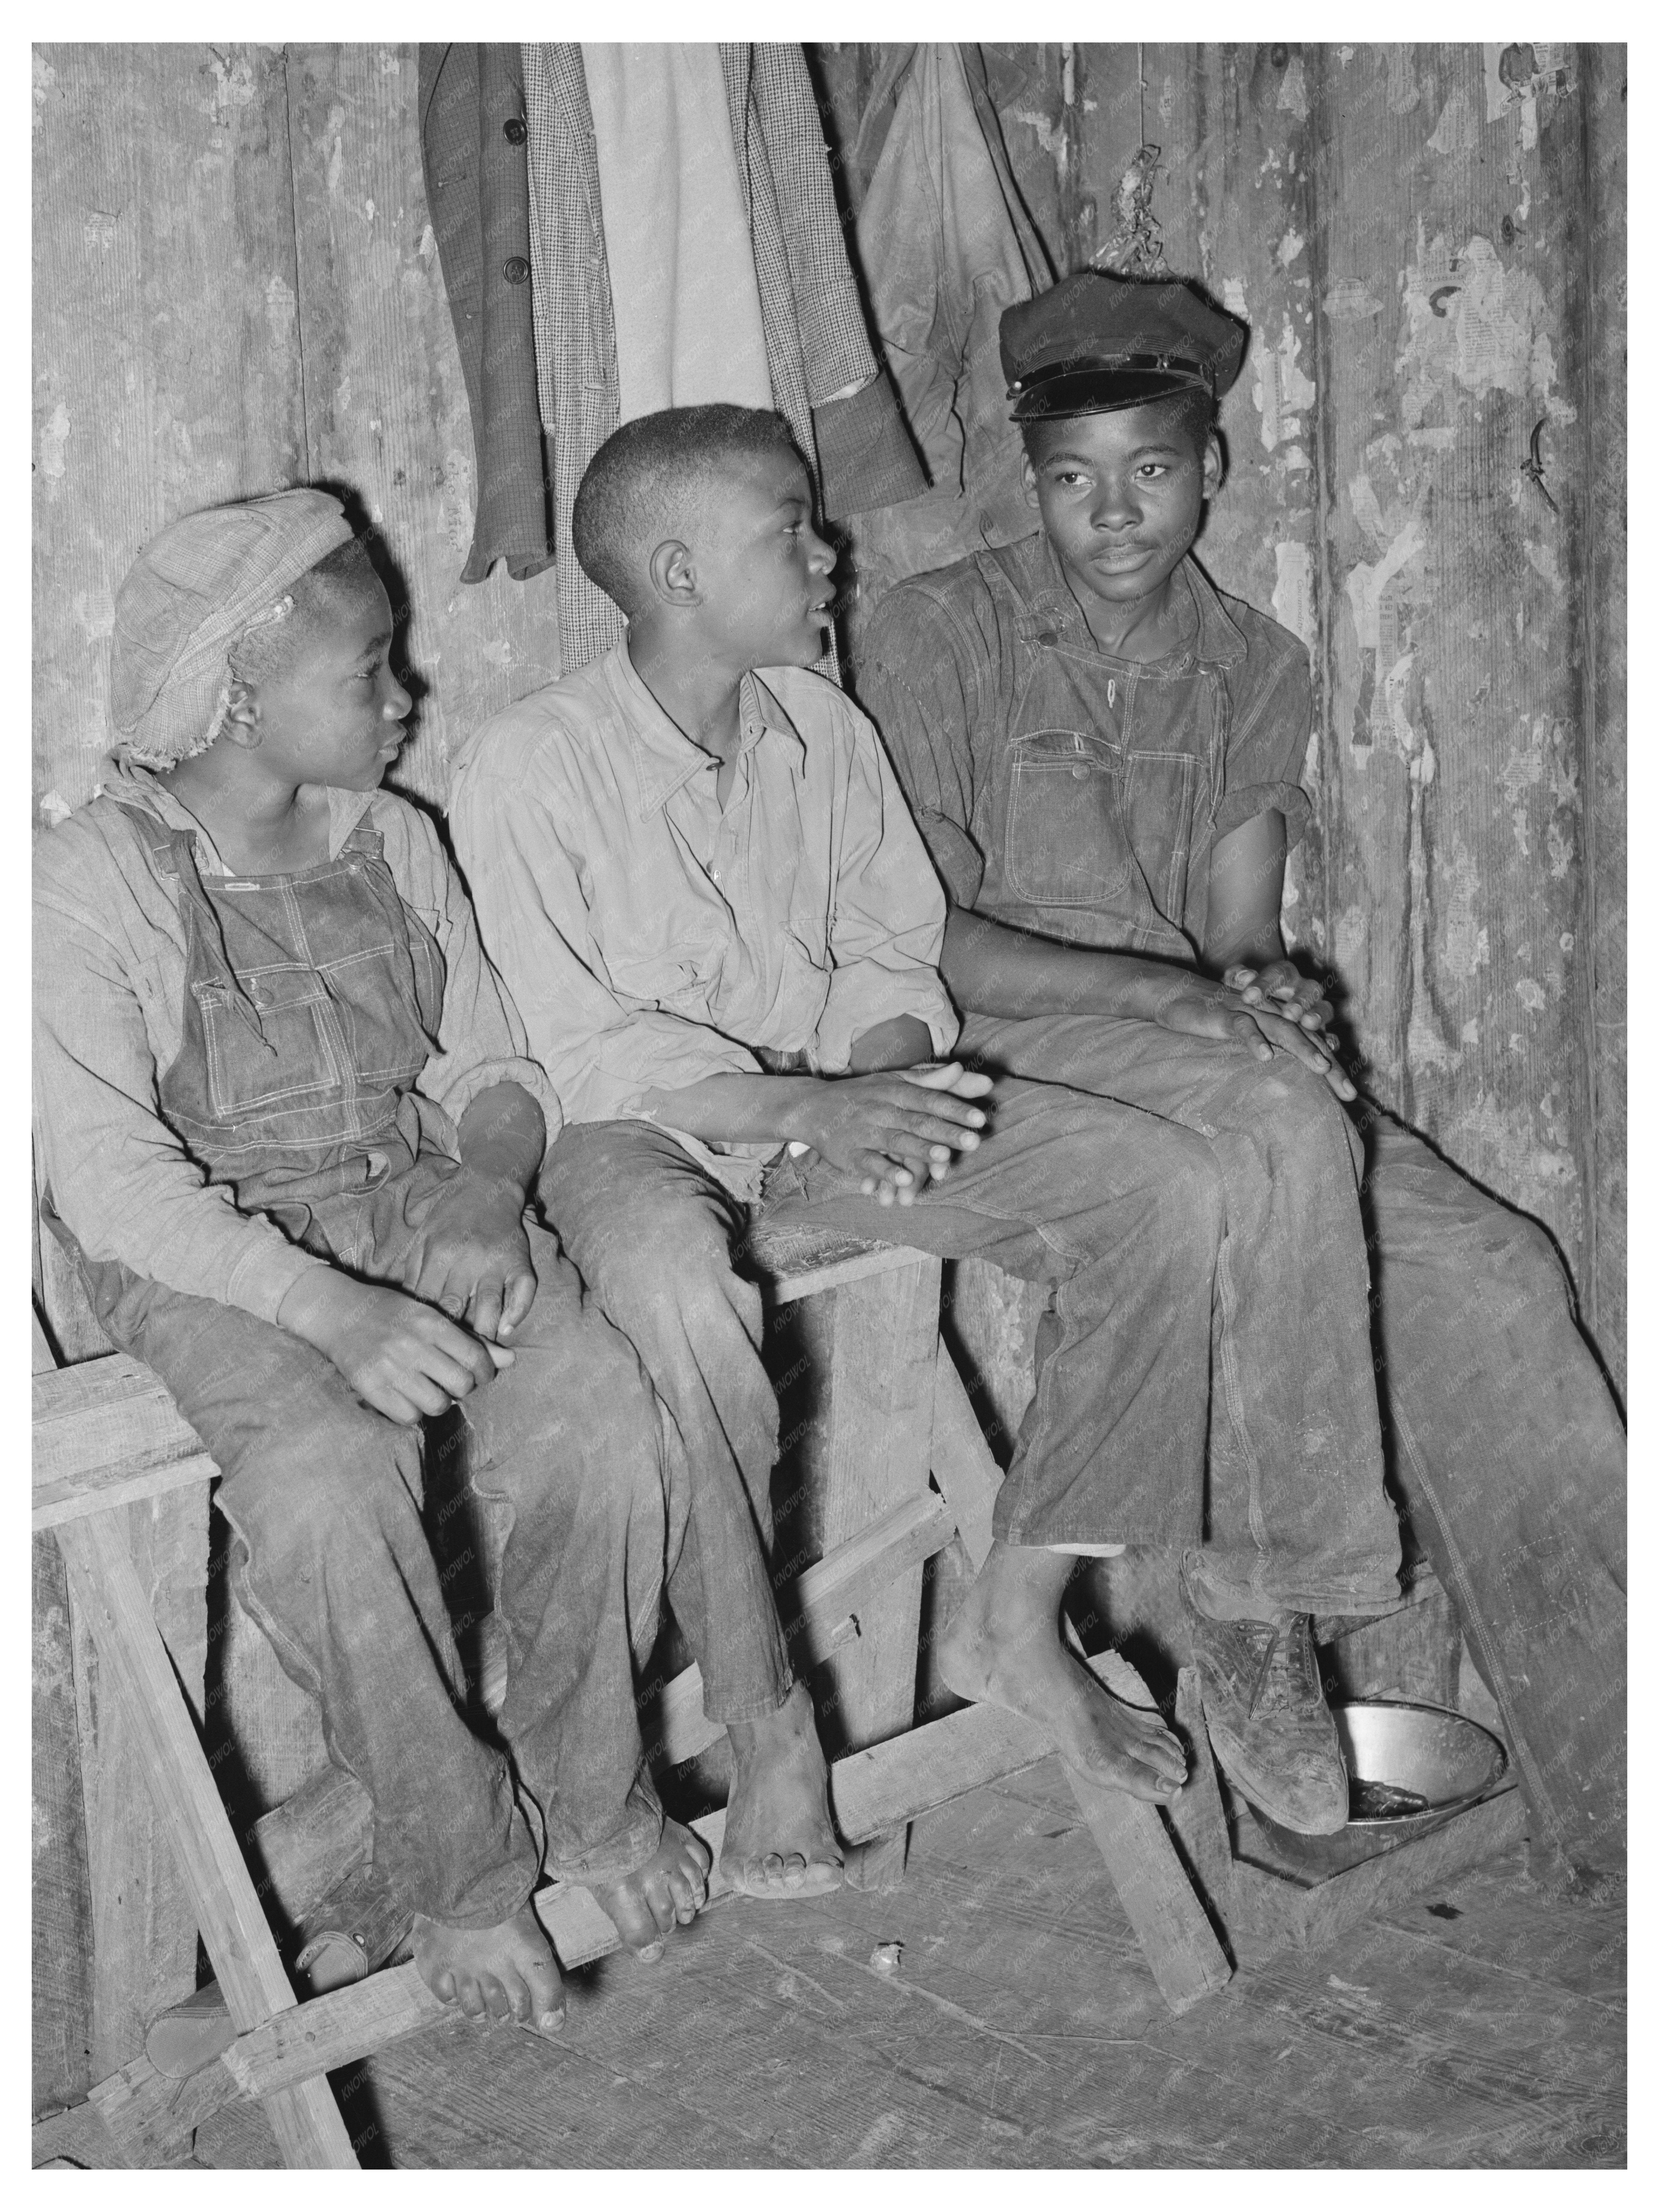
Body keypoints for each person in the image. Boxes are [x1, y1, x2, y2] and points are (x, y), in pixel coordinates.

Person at [448, 403, 1411, 1843]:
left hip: (828, 1118)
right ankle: (765, 1711)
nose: (826, 550)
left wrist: (881, 1086)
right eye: (788, 527)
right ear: (678, 571)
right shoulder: (528, 764)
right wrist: (811, 1107)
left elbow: (892, 956)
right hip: (644, 1137)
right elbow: (585, 1053)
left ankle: (1017, 1619)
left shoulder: (821, 729)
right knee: (682, 1303)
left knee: (1161, 1189)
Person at [854, 270, 1627, 1894]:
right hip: (1011, 1053)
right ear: (1031, 479)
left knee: (1496, 1266)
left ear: (1214, 463)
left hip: (1193, 1050)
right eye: (1072, 478)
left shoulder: (1254, 664)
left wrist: (1263, 991)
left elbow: (1233, 928)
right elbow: (929, 945)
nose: (1112, 511)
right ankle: (1254, 1600)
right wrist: (1204, 1012)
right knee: (1274, 1125)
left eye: (1150, 468)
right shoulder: (941, 633)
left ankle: (1617, 1777)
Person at [32, 492, 718, 2037]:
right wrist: (329, 1309)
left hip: (402, 1197)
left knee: (600, 1403)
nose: (407, 696)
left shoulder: (394, 839)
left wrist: (486, 1193)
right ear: (235, 695)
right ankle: (466, 1876)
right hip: (206, 1253)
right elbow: (116, 1188)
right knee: (334, 1485)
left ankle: (594, 1799)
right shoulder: (96, 877)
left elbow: (497, 1065)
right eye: (370, 671)